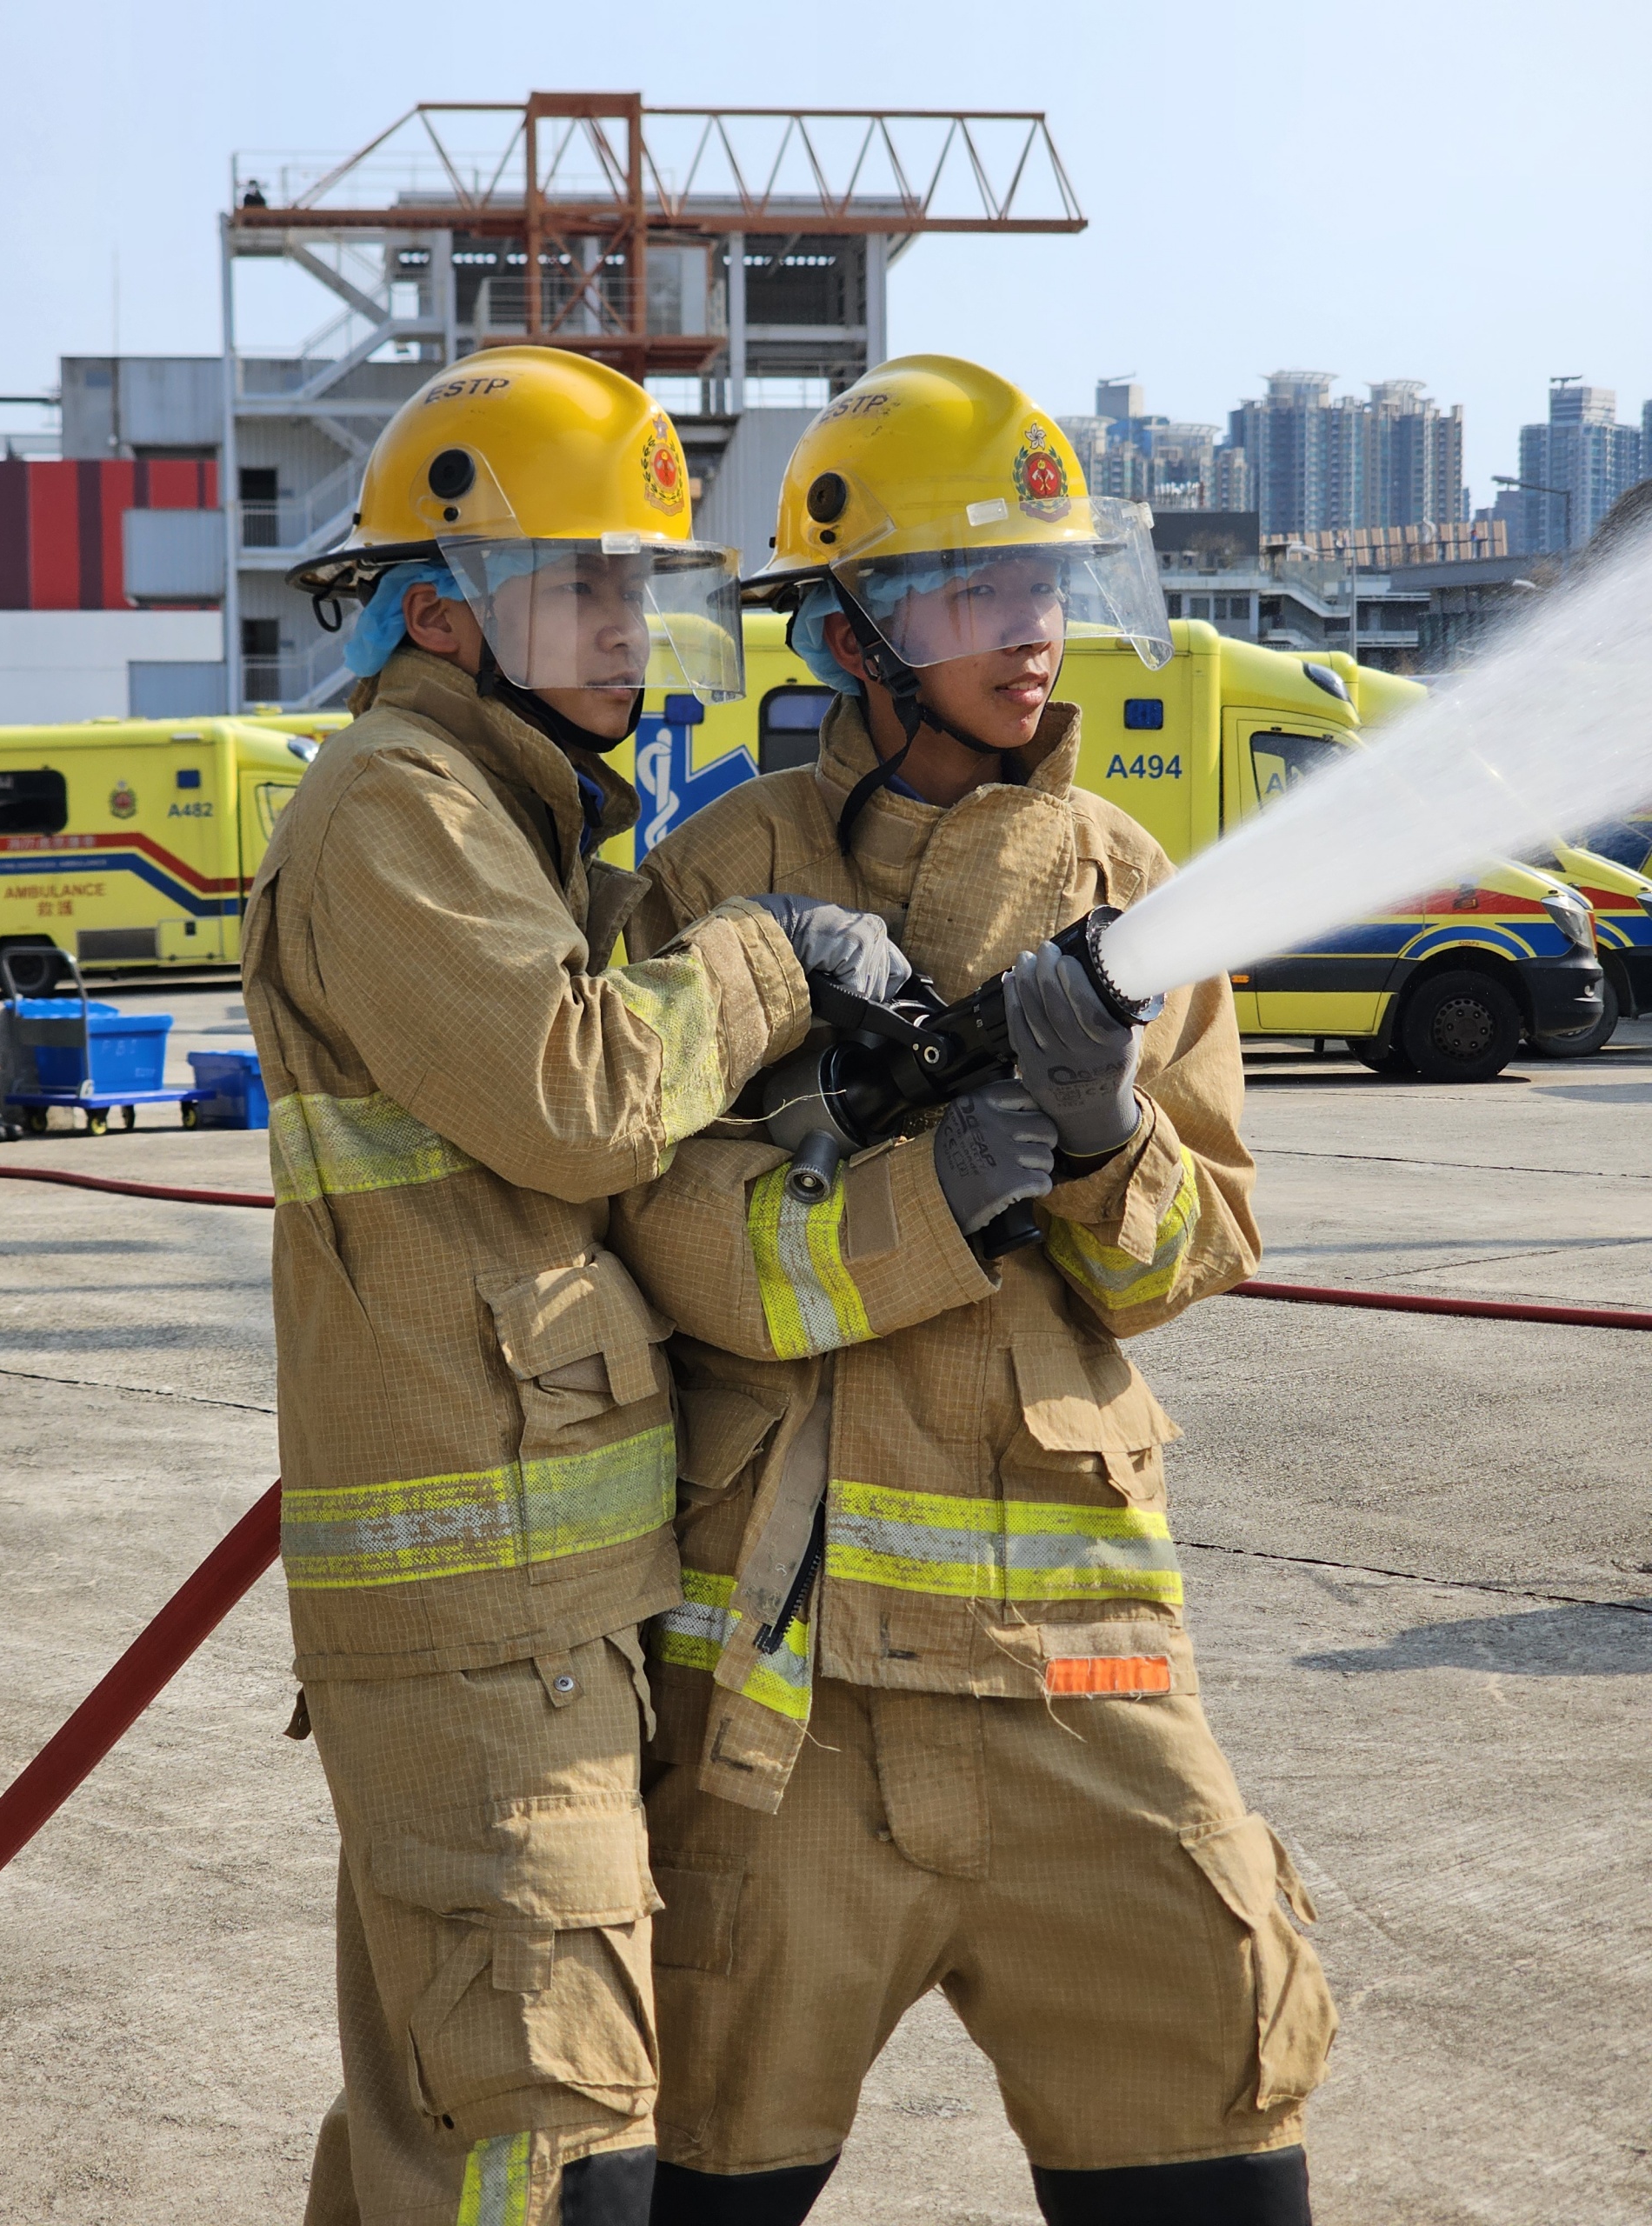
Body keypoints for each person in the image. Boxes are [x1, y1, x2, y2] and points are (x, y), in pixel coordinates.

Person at [612, 356, 1338, 2226]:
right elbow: (654, 1227)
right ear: (853, 630)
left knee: (1220, 2119)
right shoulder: (721, 879)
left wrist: (1107, 1138)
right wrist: (920, 1199)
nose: (1029, 633)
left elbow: (1191, 1259)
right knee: (685, 2169)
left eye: (1046, 584)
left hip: (1080, 1677)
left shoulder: (1131, 887)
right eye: (969, 591)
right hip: (786, 1697)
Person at [243, 345, 904, 2226]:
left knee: (440, 2114)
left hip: (538, 1594)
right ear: (441, 608)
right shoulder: (397, 805)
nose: (628, 625)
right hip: (481, 1610)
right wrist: (774, 953)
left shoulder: (510, 814)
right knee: (551, 2135)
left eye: (640, 583)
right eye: (582, 582)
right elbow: (579, 1088)